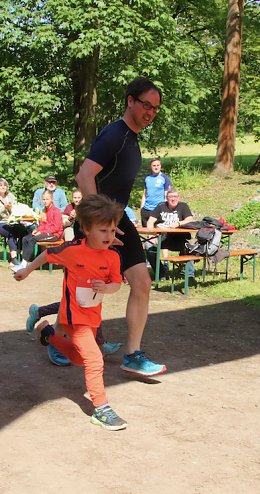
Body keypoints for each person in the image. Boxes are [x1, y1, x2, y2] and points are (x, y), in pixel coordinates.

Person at [74, 77, 166, 377]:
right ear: (130, 101)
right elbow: (84, 177)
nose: (150, 112)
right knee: (88, 291)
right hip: (98, 221)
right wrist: (101, 226)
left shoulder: (132, 137)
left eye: (155, 108)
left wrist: (113, 222)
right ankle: (58, 338)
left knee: (141, 283)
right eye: (145, 105)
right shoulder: (115, 134)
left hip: (117, 218)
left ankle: (132, 354)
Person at [14, 194, 127, 430]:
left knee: (78, 358)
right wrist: (27, 270)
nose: (109, 236)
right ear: (86, 229)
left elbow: (116, 283)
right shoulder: (73, 250)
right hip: (74, 318)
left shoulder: (113, 256)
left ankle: (48, 335)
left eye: (112, 230)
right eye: (103, 230)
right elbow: (48, 254)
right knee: (95, 359)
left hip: (93, 317)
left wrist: (107, 288)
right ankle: (101, 409)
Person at [14, 189, 63, 270]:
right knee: (26, 238)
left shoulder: (56, 211)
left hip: (55, 235)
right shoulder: (43, 211)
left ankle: (24, 264)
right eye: (43, 199)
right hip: (45, 232)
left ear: (52, 199)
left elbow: (56, 228)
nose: (45, 201)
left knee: (32, 239)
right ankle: (24, 260)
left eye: (47, 199)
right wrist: (37, 230)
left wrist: (41, 232)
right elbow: (42, 224)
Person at [0, 177, 28, 266]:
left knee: (25, 231)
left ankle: (18, 253)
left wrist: (11, 209)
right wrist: (3, 208)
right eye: (0, 185)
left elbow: (17, 210)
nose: (3, 187)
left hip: (11, 221)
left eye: (5, 185)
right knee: (10, 232)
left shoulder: (11, 196)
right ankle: (13, 258)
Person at [145, 189, 195, 254]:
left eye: (175, 196)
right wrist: (151, 235)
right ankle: (159, 265)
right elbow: (150, 221)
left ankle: (186, 264)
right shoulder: (161, 206)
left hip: (178, 237)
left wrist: (178, 223)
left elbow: (190, 219)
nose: (173, 199)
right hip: (162, 237)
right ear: (166, 198)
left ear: (178, 197)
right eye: (170, 197)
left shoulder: (183, 206)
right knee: (148, 245)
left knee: (187, 248)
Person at [140, 158, 172, 225]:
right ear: (151, 167)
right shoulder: (147, 178)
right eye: (154, 165)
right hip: (146, 210)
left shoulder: (165, 178)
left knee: (159, 233)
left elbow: (168, 196)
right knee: (148, 233)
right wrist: (142, 208)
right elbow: (144, 195)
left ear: (160, 166)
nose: (156, 167)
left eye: (158, 165)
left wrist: (167, 209)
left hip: (159, 210)